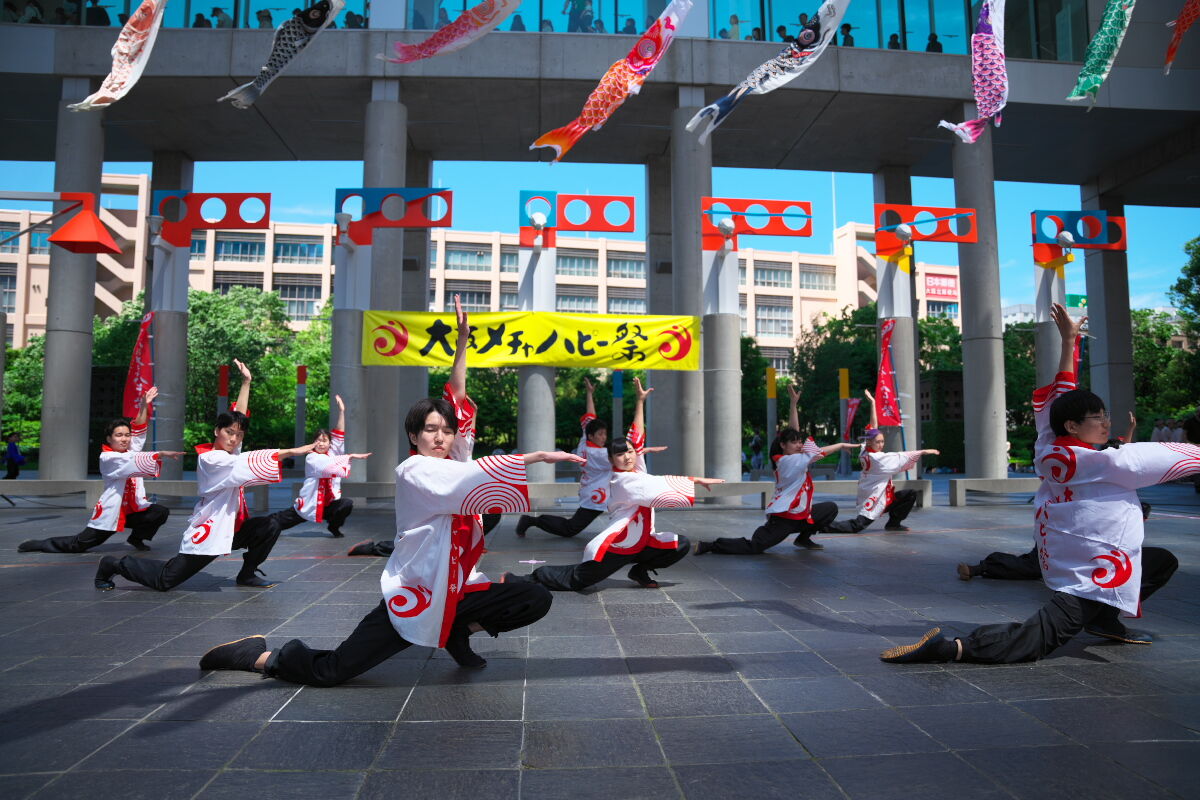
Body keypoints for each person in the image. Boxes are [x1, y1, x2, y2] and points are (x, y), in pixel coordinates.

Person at [197, 297, 574, 682]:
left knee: (534, 597)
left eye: (447, 431)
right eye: (430, 429)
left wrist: (462, 343)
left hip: (458, 586)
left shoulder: (454, 460)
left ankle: (458, 630)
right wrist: (535, 457)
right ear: (413, 435)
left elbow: (457, 399)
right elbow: (470, 476)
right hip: (419, 590)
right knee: (334, 671)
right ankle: (258, 657)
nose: (441, 437)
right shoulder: (416, 470)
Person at [882, 303, 1199, 665]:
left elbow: (1062, 398)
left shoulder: (1049, 446)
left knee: (1160, 562)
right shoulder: (1105, 462)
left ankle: (1104, 619)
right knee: (1038, 638)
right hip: (1091, 571)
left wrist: (1068, 342)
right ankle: (952, 647)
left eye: (1105, 415)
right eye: (1098, 418)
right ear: (1073, 426)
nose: (1106, 423)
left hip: (1071, 556)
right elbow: (1159, 456)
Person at [94, 360, 313, 592]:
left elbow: (238, 415)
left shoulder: (230, 450)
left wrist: (246, 382)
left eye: (239, 435)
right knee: (165, 580)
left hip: (234, 527)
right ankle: (112, 564)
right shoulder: (211, 459)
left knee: (270, 525)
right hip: (213, 527)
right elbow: (243, 461)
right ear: (217, 431)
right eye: (229, 432)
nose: (234, 439)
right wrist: (291, 452)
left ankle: (247, 574)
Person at [505, 378, 723, 591]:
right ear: (610, 459)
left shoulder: (628, 462)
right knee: (579, 579)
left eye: (630, 453)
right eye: (620, 454)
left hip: (643, 539)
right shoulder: (621, 478)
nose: (627, 457)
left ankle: (639, 571)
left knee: (679, 544)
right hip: (623, 542)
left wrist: (639, 401)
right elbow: (654, 483)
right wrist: (695, 480)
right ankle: (525, 579)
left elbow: (635, 437)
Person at [696, 384, 854, 555]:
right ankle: (709, 546)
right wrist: (841, 445)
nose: (799, 445)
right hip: (785, 517)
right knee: (755, 547)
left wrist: (793, 404)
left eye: (799, 442)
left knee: (830, 508)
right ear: (783, 446)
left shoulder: (792, 456)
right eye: (794, 443)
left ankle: (803, 538)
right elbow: (818, 452)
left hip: (801, 514)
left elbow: (793, 431)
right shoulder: (788, 462)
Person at [20, 388, 181, 553]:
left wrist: (143, 405)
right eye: (119, 435)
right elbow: (130, 461)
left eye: (127, 435)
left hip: (134, 509)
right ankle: (39, 544)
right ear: (109, 438)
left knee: (159, 512)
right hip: (113, 511)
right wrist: (160, 454)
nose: (124, 439)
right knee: (79, 545)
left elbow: (139, 428)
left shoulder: (131, 450)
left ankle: (136, 538)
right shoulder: (108, 457)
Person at [515, 377, 664, 539]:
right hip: (597, 495)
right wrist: (642, 448)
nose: (604, 437)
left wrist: (589, 394)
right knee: (570, 529)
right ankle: (532, 520)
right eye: (600, 434)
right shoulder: (600, 454)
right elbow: (629, 446)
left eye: (605, 433)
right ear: (592, 436)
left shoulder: (584, 441)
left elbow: (590, 418)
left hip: (594, 490)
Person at [824, 389, 939, 533]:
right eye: (878, 442)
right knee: (858, 526)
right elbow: (899, 457)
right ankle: (824, 526)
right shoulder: (877, 458)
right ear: (870, 442)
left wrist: (873, 403)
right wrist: (922, 452)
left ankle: (893, 523)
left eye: (882, 441)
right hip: (874, 496)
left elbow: (873, 426)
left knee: (909, 494)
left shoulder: (865, 449)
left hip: (884, 495)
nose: (881, 444)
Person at [272, 394, 369, 539]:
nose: (321, 444)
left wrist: (342, 411)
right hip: (310, 504)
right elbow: (328, 466)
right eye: (318, 440)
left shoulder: (333, 453)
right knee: (278, 521)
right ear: (314, 443)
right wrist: (350, 456)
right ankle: (262, 527)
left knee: (346, 504)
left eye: (325, 441)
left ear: (330, 444)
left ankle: (333, 526)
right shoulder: (312, 457)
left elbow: (339, 435)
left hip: (329, 503)